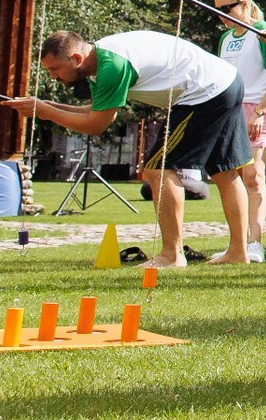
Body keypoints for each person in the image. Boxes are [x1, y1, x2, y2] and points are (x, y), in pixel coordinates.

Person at [16, 30, 246, 267]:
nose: (53, 77)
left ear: (76, 58)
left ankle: (172, 255)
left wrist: (45, 112)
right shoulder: (101, 60)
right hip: (227, 81)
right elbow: (99, 110)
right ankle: (238, 252)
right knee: (224, 171)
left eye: (55, 69)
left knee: (159, 168)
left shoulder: (112, 65)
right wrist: (47, 106)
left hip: (203, 92)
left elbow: (96, 125)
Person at [210, 0, 266, 264]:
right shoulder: (226, 38)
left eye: (227, 8)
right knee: (232, 178)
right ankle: (236, 244)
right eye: (218, 11)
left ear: (244, 3)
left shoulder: (263, 31)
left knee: (253, 177)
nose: (223, 15)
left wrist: (261, 112)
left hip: (257, 107)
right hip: (230, 109)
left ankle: (255, 242)